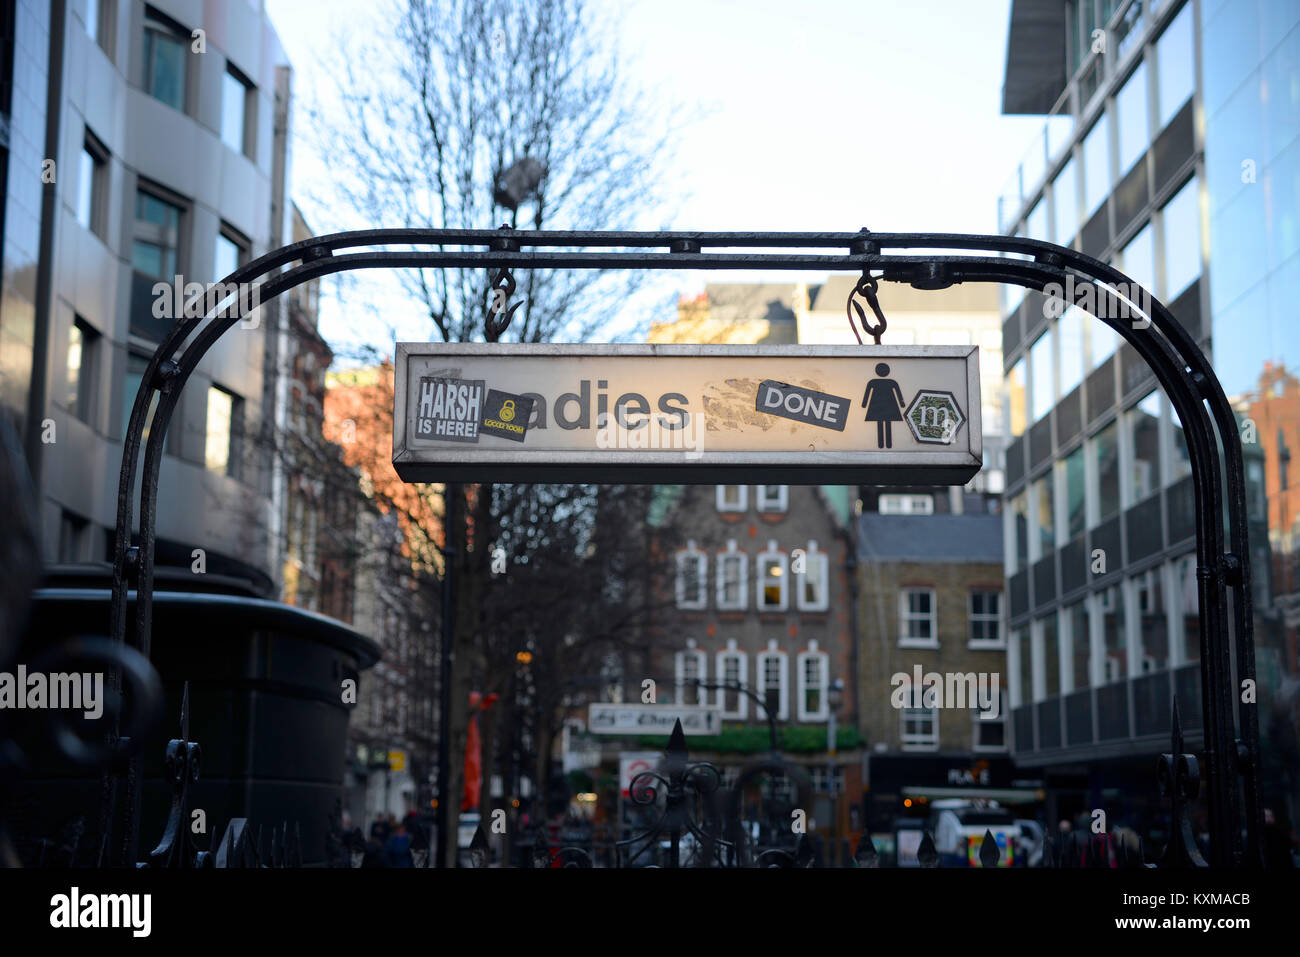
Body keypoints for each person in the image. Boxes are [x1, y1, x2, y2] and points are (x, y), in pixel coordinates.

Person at [862, 363, 906, 449]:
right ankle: (885, 445)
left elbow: (867, 394)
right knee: (886, 423)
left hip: (878, 405)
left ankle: (883, 445)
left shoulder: (873, 382)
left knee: (881, 423)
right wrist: (902, 404)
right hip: (888, 405)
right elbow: (899, 394)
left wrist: (864, 404)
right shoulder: (891, 382)